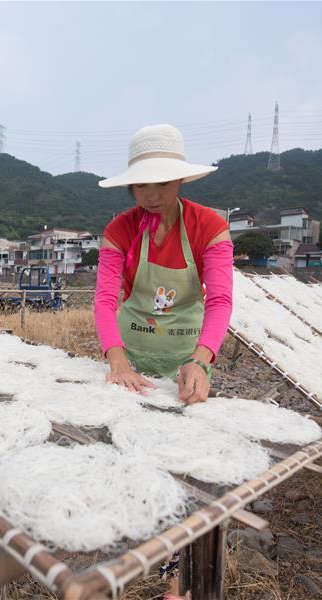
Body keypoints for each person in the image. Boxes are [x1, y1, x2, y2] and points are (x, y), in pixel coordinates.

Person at [94, 124, 234, 405]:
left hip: (187, 356)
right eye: (141, 184)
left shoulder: (209, 227)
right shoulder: (119, 230)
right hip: (129, 354)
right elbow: (105, 300)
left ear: (180, 180)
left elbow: (220, 300)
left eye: (163, 183)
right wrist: (117, 359)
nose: (152, 195)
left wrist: (200, 360)